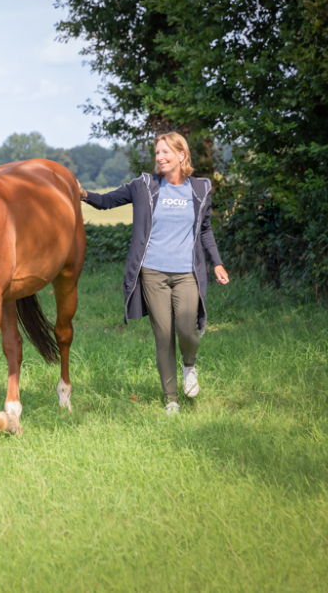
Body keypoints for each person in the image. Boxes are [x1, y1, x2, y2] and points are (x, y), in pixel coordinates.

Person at [80, 132, 229, 415]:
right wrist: (83, 194)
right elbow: (108, 201)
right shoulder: (144, 186)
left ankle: (189, 364)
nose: (160, 157)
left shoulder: (200, 189)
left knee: (187, 329)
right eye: (157, 153)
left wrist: (217, 262)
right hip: (152, 273)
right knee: (163, 335)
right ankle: (170, 399)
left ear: (182, 156)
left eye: (166, 153)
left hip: (187, 273)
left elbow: (205, 229)